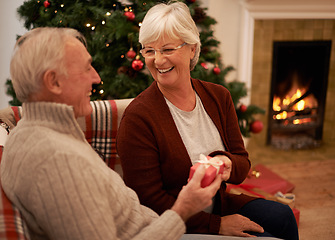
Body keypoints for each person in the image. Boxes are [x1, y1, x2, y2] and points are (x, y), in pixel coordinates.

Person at [0, 27, 223, 240]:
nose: (96, 78)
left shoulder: (38, 132)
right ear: (53, 81)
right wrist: (183, 210)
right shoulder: (57, 160)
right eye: (87, 68)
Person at [116, 1, 299, 240]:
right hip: (174, 223)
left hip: (220, 204)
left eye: (167, 49)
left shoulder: (218, 97)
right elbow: (149, 201)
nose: (158, 60)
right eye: (149, 50)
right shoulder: (138, 118)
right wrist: (216, 225)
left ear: (192, 49)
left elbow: (242, 164)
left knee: (283, 216)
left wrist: (226, 163)